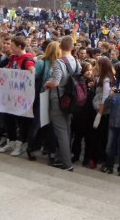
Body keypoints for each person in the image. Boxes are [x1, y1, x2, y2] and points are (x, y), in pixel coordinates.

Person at [44, 35, 80, 171]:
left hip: (59, 100)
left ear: (60, 47)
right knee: (67, 130)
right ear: (72, 47)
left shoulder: (59, 62)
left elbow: (55, 82)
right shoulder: (76, 61)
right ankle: (63, 159)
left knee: (61, 132)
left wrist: (47, 83)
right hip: (72, 100)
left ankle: (67, 163)